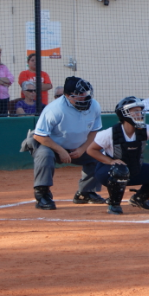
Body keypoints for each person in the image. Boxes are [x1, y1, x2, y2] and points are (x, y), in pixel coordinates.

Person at [27, 76, 105, 210]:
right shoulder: (55, 109)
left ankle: (85, 193)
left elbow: (94, 132)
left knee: (99, 153)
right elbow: (39, 135)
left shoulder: (94, 106)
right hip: (51, 145)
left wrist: (82, 149)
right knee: (44, 155)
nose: (84, 97)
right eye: (79, 94)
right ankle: (42, 195)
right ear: (68, 95)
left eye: (85, 93)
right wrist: (60, 150)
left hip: (77, 147)